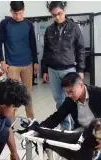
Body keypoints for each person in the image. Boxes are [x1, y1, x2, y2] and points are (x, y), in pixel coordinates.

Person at [40, 72, 101, 160]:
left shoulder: (99, 93)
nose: (69, 95)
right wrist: (40, 127)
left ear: (81, 85)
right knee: (72, 139)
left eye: (71, 91)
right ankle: (86, 153)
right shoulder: (70, 100)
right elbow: (57, 116)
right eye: (67, 92)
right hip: (84, 128)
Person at [42, 1, 85, 130]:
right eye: (54, 15)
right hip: (53, 70)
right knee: (59, 101)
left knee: (73, 100)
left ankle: (76, 127)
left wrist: (81, 69)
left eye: (59, 14)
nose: (57, 17)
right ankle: (65, 128)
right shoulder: (49, 30)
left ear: (64, 11)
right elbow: (46, 51)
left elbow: (80, 49)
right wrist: (44, 70)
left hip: (69, 69)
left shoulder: (74, 27)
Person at [0, 1, 38, 122]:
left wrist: (36, 61)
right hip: (11, 65)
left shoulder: (29, 25)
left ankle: (31, 120)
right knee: (12, 94)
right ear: (11, 11)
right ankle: (10, 122)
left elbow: (33, 44)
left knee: (27, 94)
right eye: (15, 13)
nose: (18, 16)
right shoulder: (5, 23)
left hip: (27, 64)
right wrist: (2, 61)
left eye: (20, 13)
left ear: (24, 10)